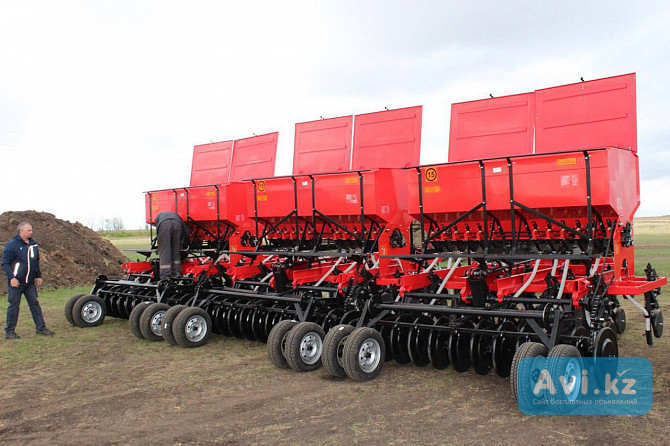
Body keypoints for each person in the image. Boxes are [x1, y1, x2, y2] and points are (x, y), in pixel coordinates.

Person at [2, 222, 54, 339]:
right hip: (16, 282)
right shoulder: (11, 245)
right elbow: (5, 263)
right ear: (21, 232)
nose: (31, 232)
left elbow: (35, 262)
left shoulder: (33, 245)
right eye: (28, 230)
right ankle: (9, 332)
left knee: (35, 304)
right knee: (14, 306)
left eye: (31, 230)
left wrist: (38, 276)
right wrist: (12, 278)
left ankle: (41, 328)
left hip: (30, 282)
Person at [154, 211, 190, 280]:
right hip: (177, 225)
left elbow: (159, 234)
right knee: (176, 250)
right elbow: (185, 230)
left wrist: (159, 246)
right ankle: (177, 272)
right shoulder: (175, 215)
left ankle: (165, 276)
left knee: (165, 251)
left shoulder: (159, 218)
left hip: (165, 225)